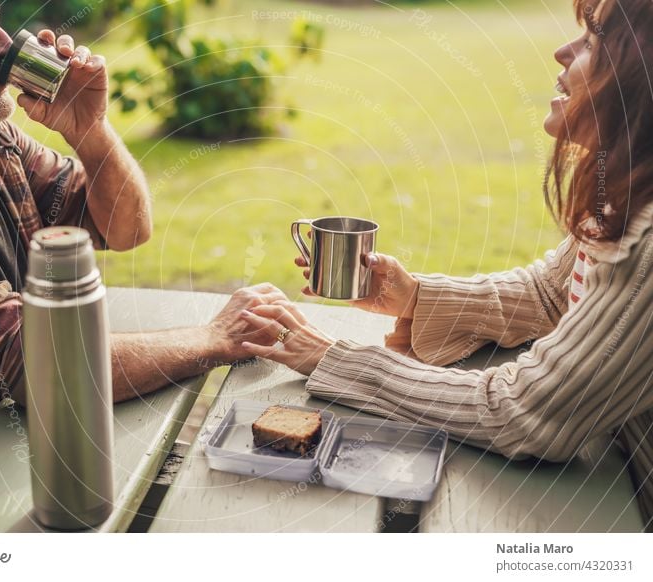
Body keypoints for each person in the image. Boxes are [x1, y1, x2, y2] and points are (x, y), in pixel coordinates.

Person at [0, 0, 281, 532]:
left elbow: (126, 226)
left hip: (22, 451)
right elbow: (45, 364)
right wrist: (216, 338)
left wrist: (90, 129)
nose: (5, 42)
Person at [239, 0, 653, 532]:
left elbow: (527, 412)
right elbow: (554, 295)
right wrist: (415, 296)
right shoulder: (626, 190)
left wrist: (334, 359)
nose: (563, 51)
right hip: (608, 467)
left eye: (593, 39)